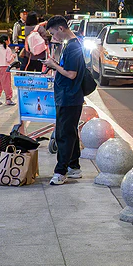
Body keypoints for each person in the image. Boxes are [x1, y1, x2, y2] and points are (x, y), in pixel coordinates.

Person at [43, 15, 86, 185]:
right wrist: (55, 62)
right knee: (70, 132)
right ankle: (74, 167)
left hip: (69, 96)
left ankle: (61, 171)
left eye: (54, 33)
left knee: (63, 134)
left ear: (61, 29)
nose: (54, 37)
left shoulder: (73, 47)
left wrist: (54, 65)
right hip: (69, 96)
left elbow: (71, 74)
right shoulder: (71, 45)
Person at [0, 34, 16, 106]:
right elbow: (8, 60)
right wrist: (13, 56)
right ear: (6, 41)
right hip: (5, 67)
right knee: (7, 83)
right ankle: (8, 99)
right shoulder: (7, 49)